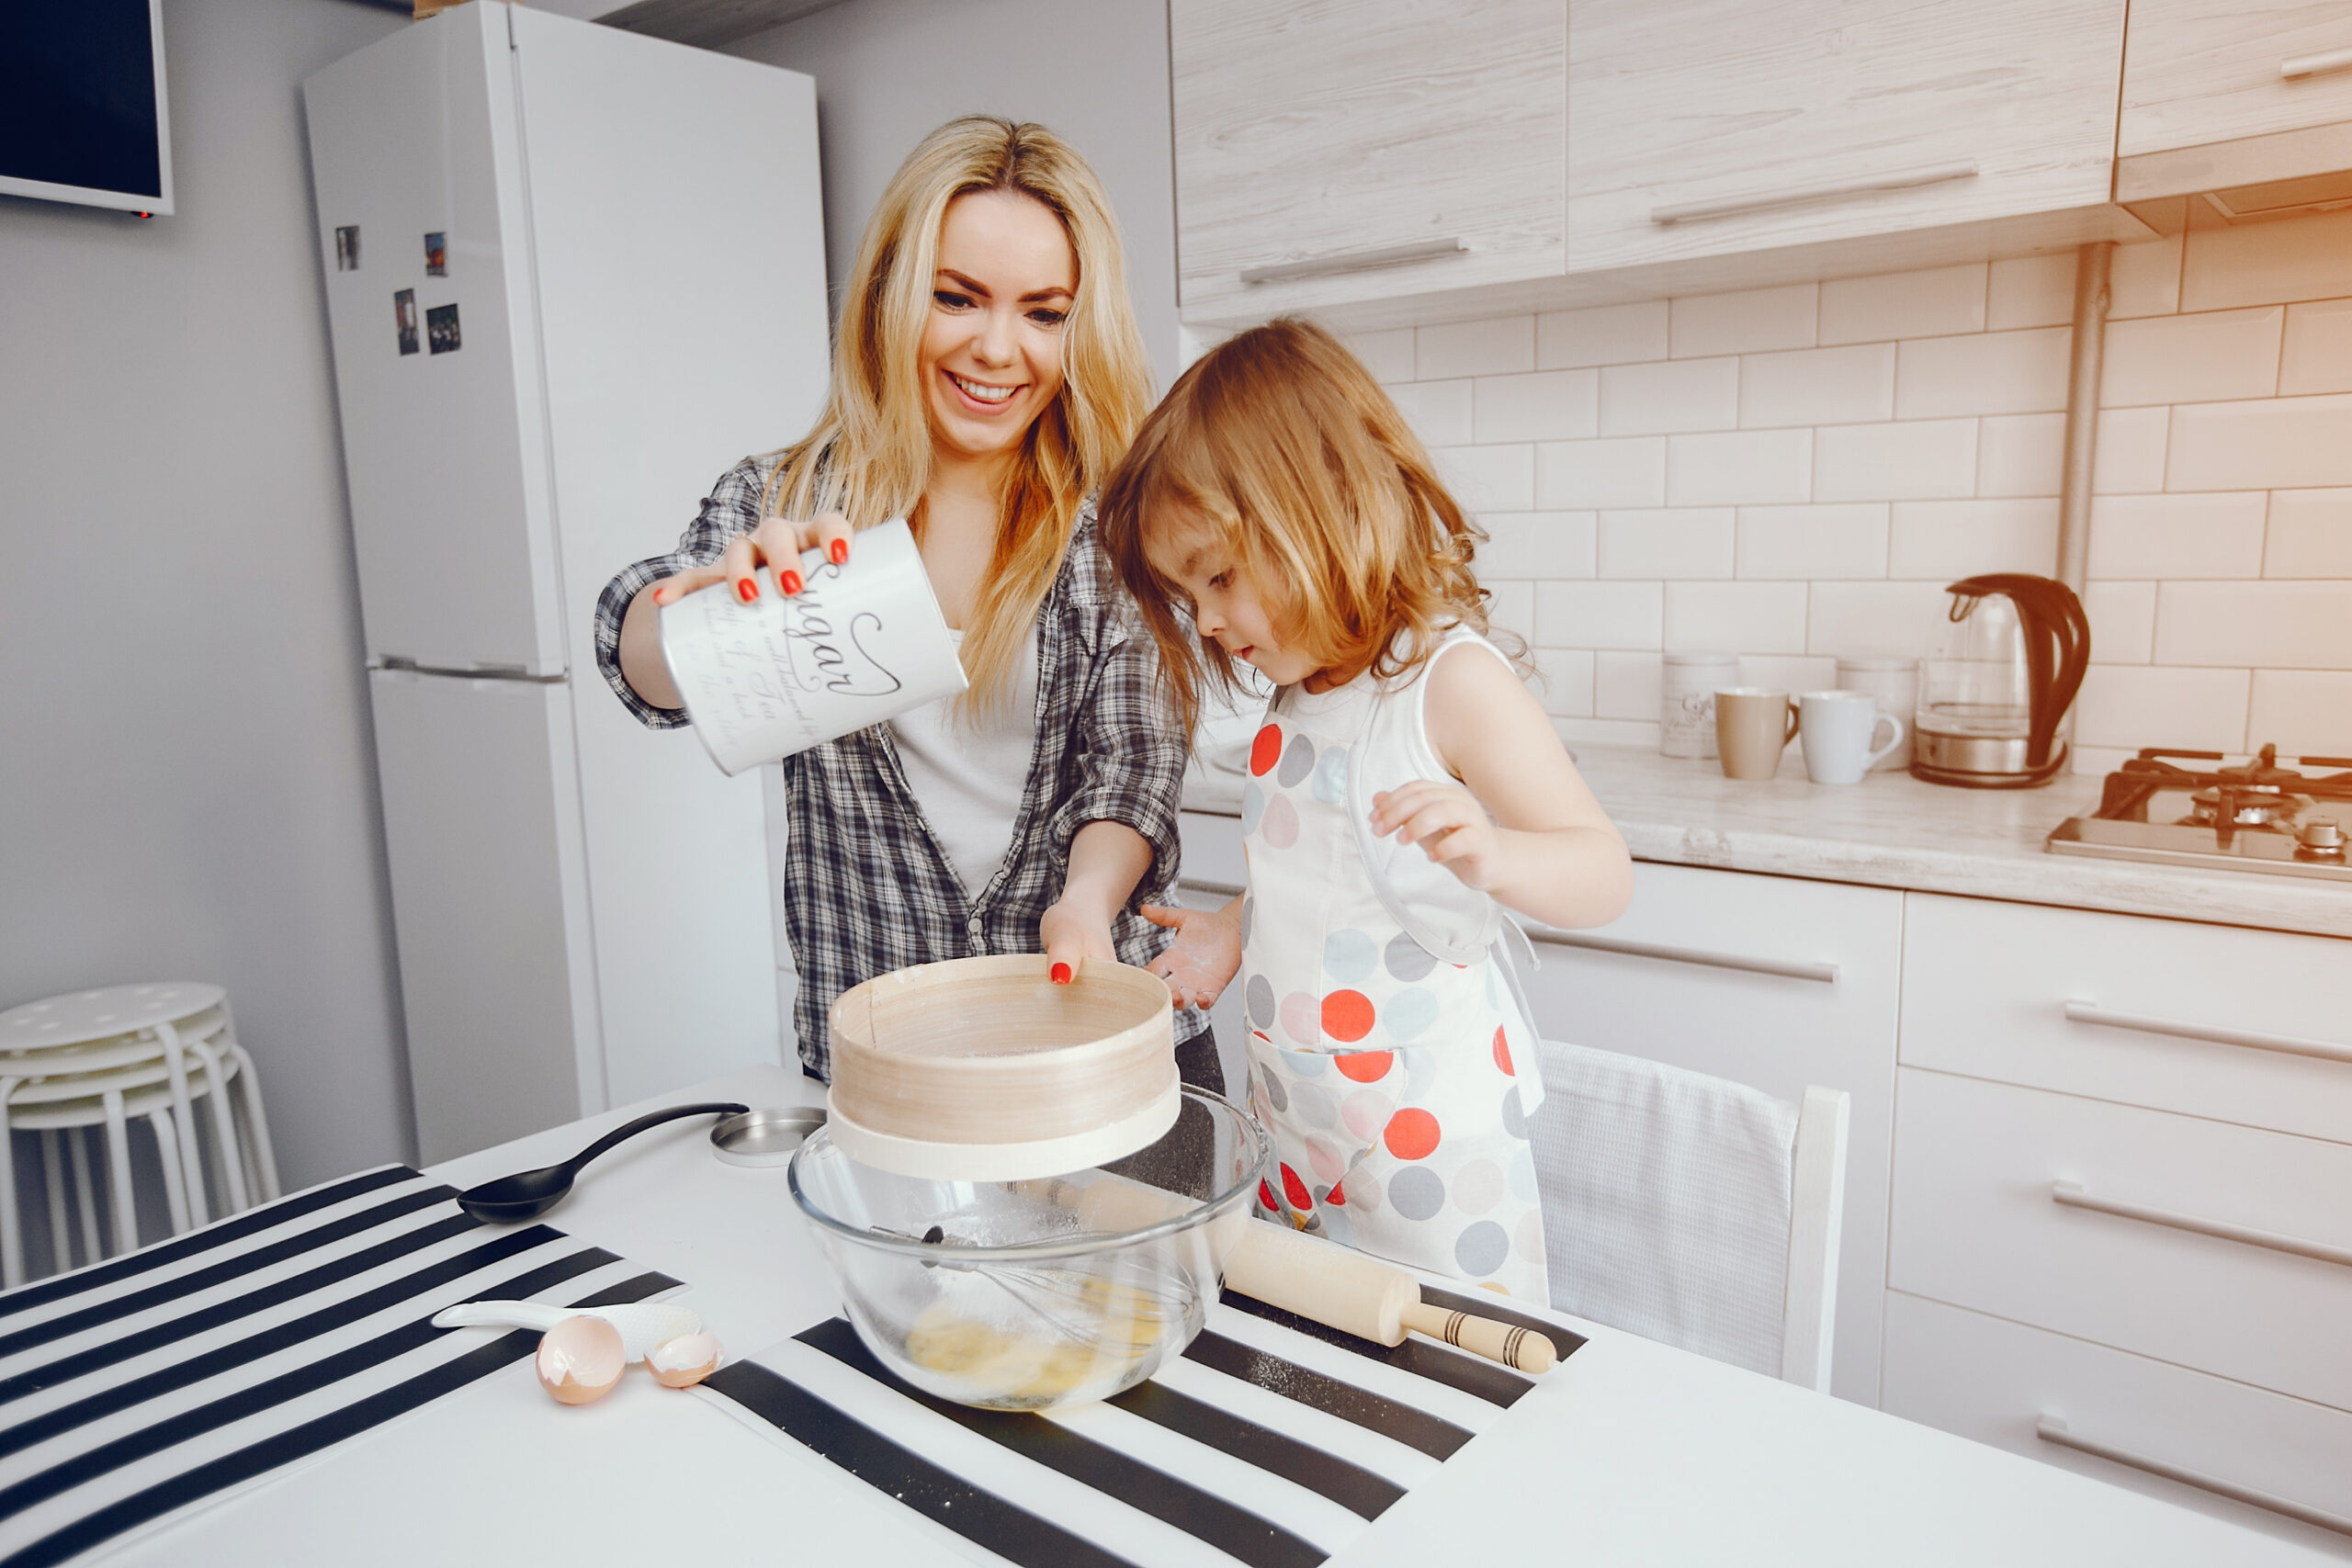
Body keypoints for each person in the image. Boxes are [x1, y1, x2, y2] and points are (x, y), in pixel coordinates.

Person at [594, 117, 1220, 1091]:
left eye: (1043, 313)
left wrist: (1088, 904)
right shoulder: (782, 501)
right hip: (884, 1059)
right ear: (892, 294)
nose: (998, 348)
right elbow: (641, 663)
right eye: (956, 298)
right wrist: (702, 612)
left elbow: (1132, 768)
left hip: (1091, 1045)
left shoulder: (1118, 523)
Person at [1100, 317, 1634, 1299]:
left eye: (1220, 576)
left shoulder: (1448, 681)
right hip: (1298, 1133)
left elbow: (1602, 871)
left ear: (1328, 508)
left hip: (1430, 1147)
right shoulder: (1297, 694)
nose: (1209, 620)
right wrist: (1233, 931)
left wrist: (1498, 855)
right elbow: (1333, 885)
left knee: (1448, 1373)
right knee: (1323, 1361)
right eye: (1191, 595)